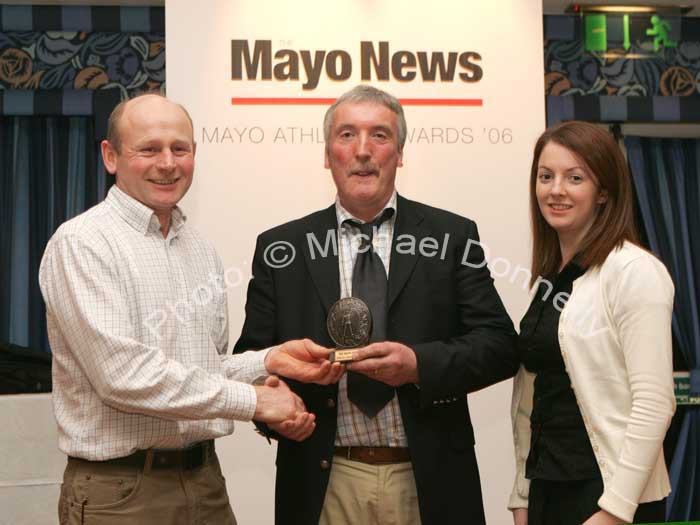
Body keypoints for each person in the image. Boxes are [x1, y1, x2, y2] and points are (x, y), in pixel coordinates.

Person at [38, 93, 342, 524]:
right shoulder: (82, 243)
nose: (168, 163)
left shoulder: (199, 249)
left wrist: (270, 360)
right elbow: (122, 377)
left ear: (194, 154)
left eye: (180, 148)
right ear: (111, 156)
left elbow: (202, 368)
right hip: (121, 495)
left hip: (205, 483)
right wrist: (253, 401)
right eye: (149, 149)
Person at [234, 85, 518, 525]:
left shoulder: (452, 236)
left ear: (400, 153)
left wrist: (418, 364)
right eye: (347, 135)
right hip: (323, 481)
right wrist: (276, 413)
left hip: (429, 480)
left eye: (380, 136)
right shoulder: (282, 248)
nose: (363, 151)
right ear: (328, 154)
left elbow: (500, 346)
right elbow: (253, 361)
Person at [509, 121, 675, 525]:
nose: (555, 190)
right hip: (549, 487)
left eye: (575, 177)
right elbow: (538, 394)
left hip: (610, 498)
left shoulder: (635, 271)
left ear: (604, 192)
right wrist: (523, 492)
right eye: (545, 176)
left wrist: (616, 510)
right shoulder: (551, 280)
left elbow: (655, 403)